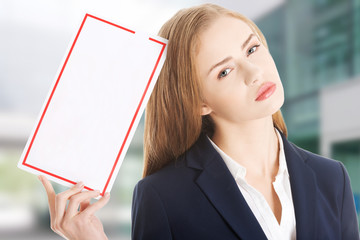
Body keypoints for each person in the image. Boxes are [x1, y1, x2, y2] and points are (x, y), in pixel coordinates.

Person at [39, 3, 360, 240]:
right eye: (224, 70)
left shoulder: (332, 178)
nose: (254, 72)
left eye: (252, 48)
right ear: (198, 102)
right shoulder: (164, 197)